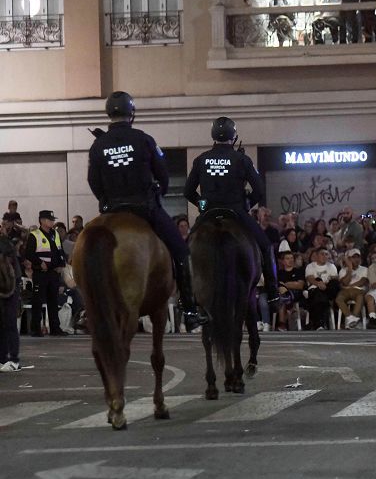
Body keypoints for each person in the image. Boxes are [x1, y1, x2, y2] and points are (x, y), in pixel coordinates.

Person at [86, 91, 202, 326]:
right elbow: (162, 174)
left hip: (112, 209)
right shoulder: (144, 139)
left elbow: (93, 181)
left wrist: (106, 201)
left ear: (109, 113)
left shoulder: (98, 145)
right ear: (132, 114)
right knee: (181, 251)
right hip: (144, 208)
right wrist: (160, 193)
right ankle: (189, 309)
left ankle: (87, 309)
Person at [183, 116, 279, 308]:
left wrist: (202, 205)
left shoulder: (201, 159)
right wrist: (246, 204)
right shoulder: (242, 159)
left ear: (213, 136)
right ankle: (273, 296)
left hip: (209, 212)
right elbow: (259, 190)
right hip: (236, 211)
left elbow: (187, 191)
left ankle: (186, 299)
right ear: (234, 137)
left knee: (185, 251)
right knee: (266, 246)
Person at [25, 210, 67, 337]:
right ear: (42, 220)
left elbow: (60, 251)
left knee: (53, 300)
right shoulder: (34, 235)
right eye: (50, 219)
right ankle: (35, 329)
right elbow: (29, 253)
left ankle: (55, 328)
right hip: (41, 272)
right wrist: (39, 262)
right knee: (37, 300)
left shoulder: (55, 234)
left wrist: (61, 264)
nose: (52, 221)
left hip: (54, 272)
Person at [0, 229, 21, 371]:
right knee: (6, 324)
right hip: (8, 288)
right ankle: (6, 359)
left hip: (9, 287)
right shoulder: (5, 242)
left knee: (8, 324)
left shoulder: (4, 243)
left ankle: (11, 359)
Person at [335, 249, 368, 329]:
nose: (356, 259)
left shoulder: (364, 269)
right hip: (345, 291)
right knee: (339, 299)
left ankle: (353, 318)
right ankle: (351, 319)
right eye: (353, 257)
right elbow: (345, 282)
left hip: (359, 290)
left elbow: (362, 281)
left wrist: (350, 286)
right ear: (348, 259)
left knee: (360, 296)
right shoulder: (343, 270)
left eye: (358, 257)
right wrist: (349, 269)